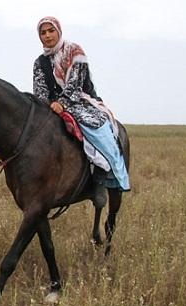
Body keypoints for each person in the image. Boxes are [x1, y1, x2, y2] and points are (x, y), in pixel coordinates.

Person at [33, 16, 130, 191]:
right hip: (51, 106)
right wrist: (45, 105)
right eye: (43, 32)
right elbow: (39, 91)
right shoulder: (40, 62)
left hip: (80, 101)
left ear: (58, 31)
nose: (47, 36)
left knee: (96, 126)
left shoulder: (75, 52)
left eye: (51, 31)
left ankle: (106, 170)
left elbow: (75, 85)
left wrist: (62, 103)